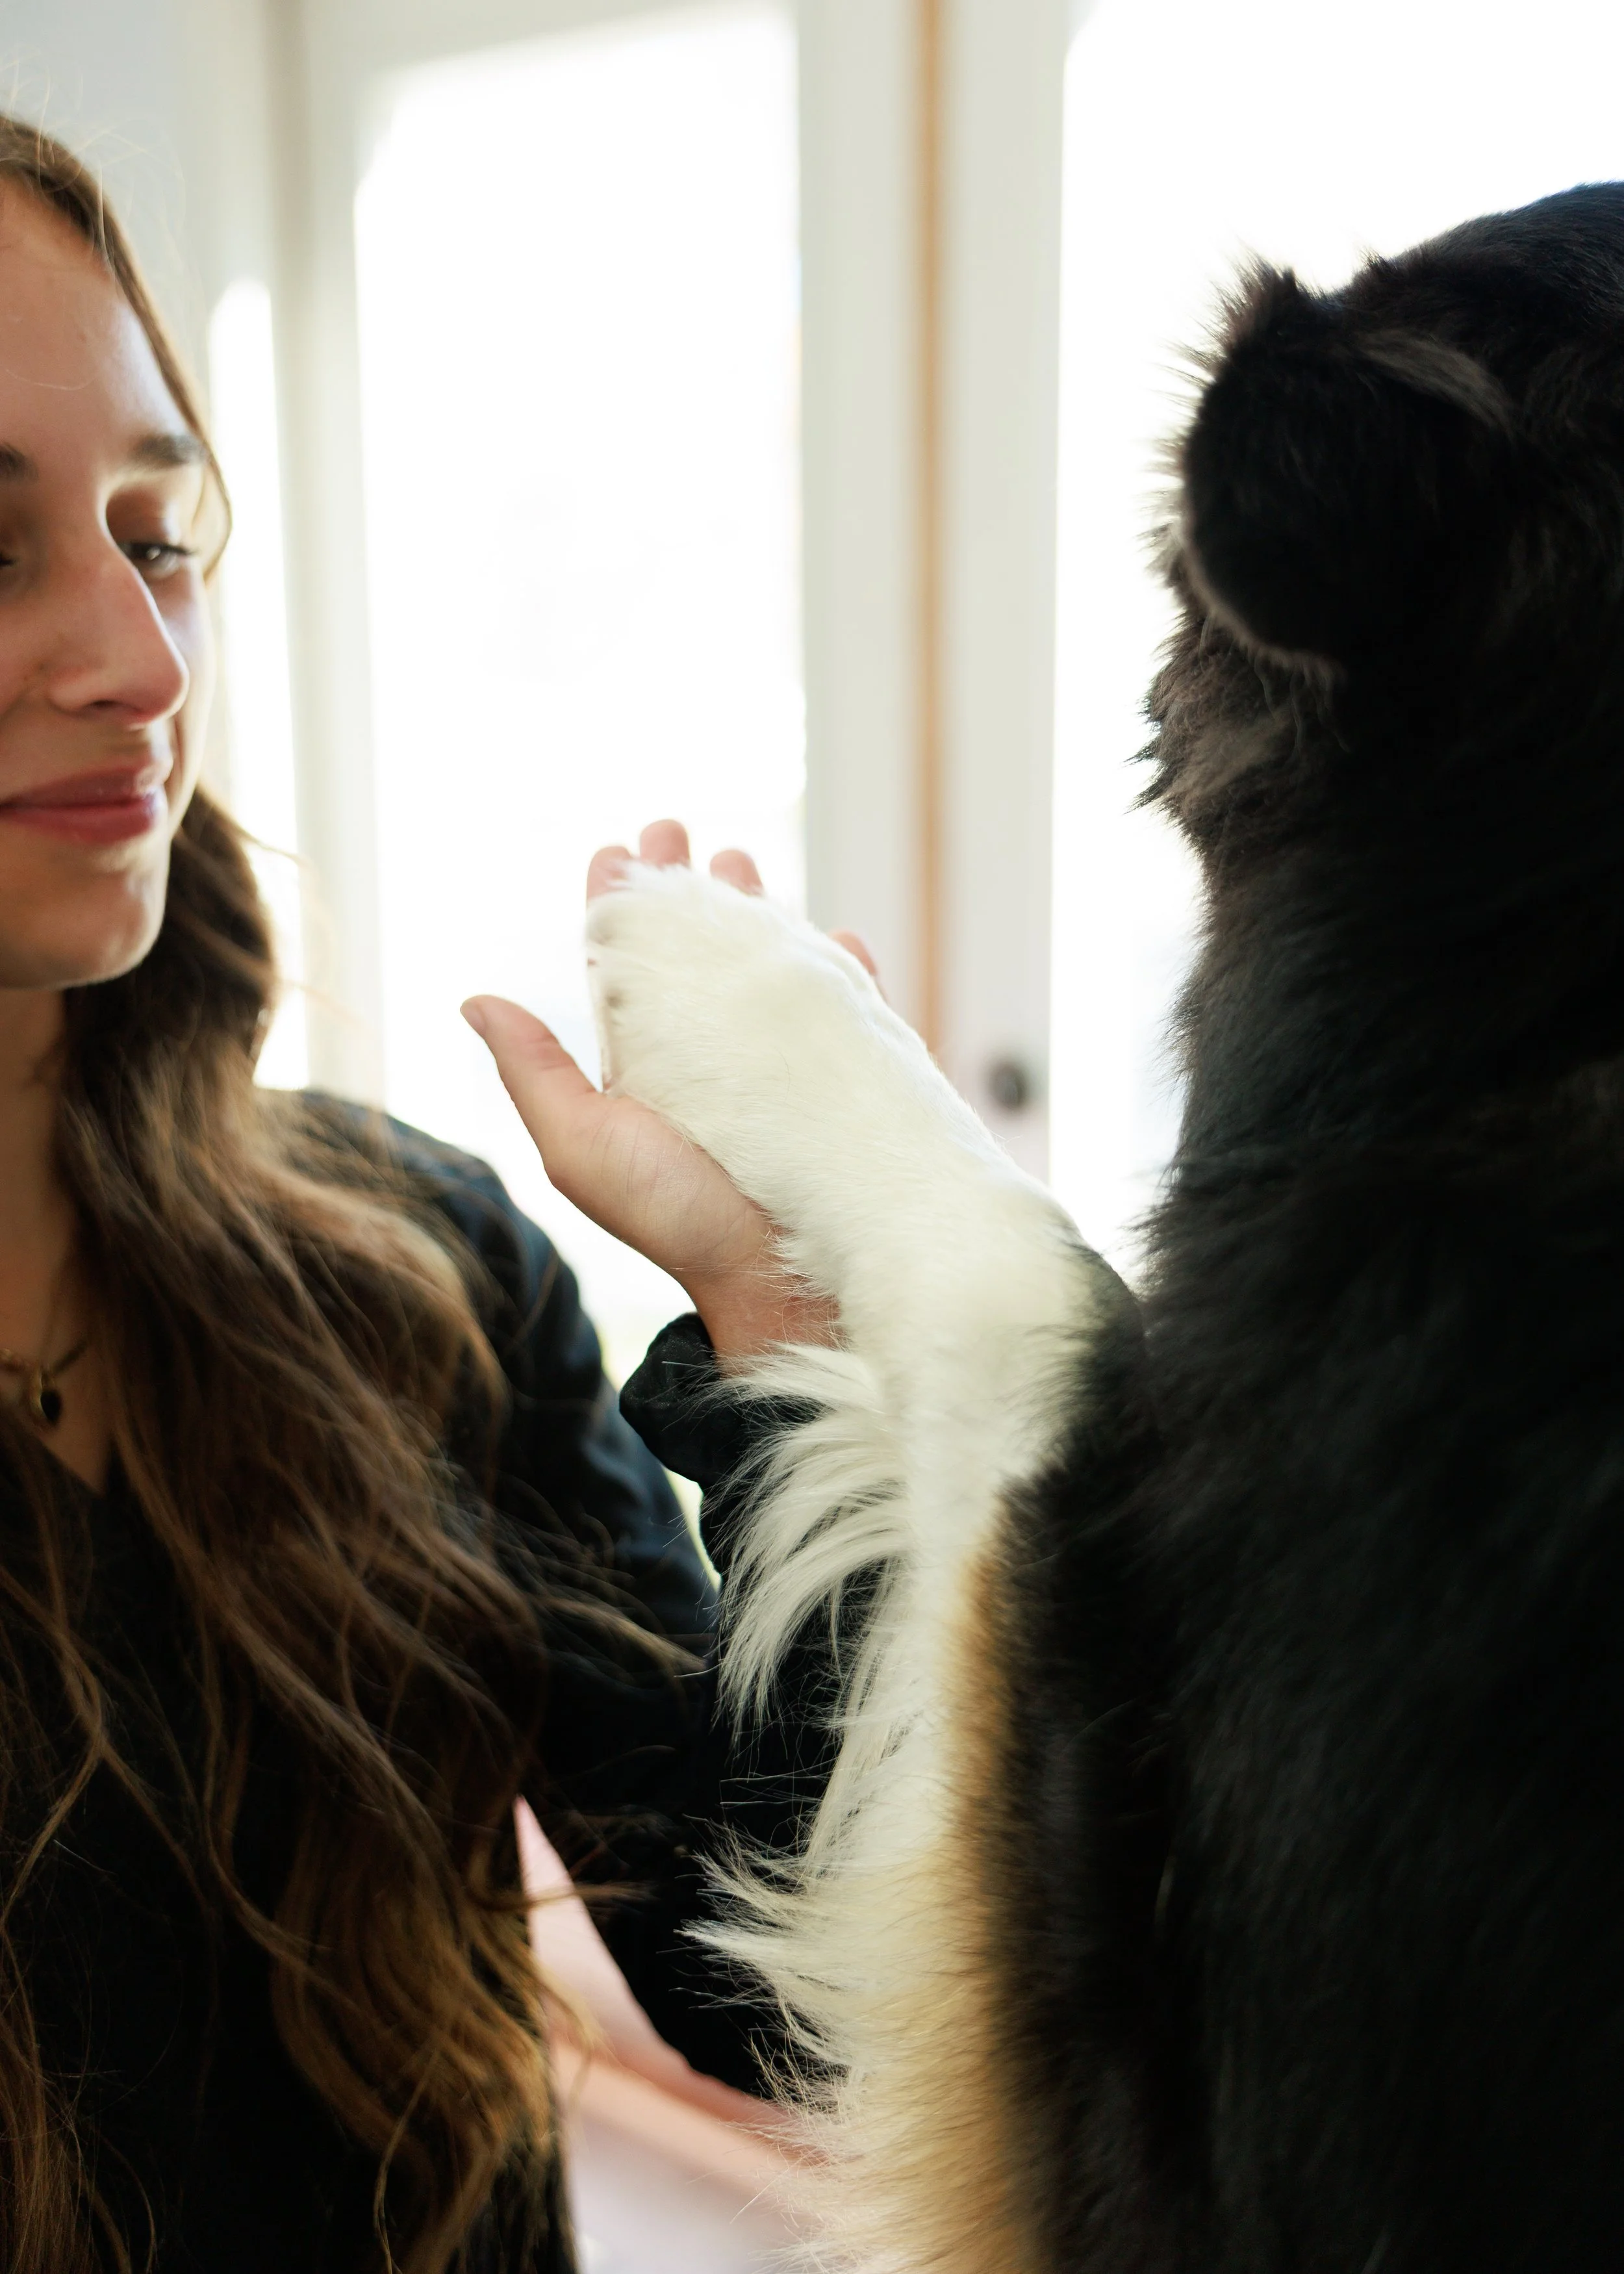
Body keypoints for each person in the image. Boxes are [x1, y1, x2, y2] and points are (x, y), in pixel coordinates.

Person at [0, 118, 848, 2273]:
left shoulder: (414, 1275)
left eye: (157, 534)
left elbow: (788, 1998)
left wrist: (785, 1321)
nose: (143, 663)